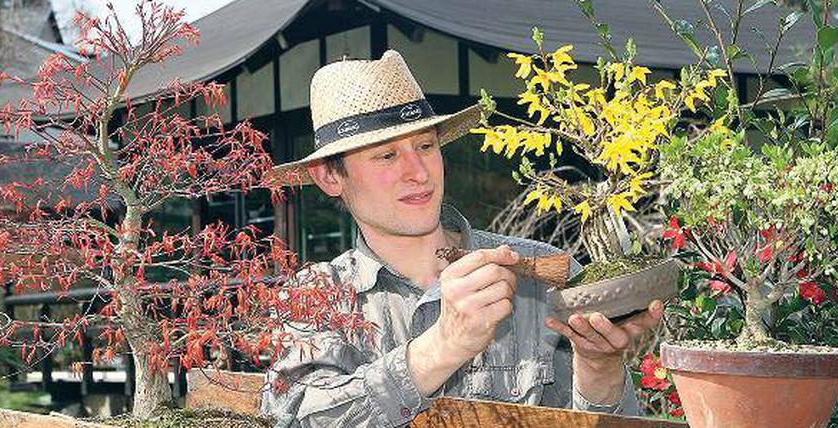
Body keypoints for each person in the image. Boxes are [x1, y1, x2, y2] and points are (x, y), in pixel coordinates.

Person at [262, 50, 663, 427]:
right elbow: (290, 417)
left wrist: (598, 367)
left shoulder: (543, 276)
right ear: (330, 176)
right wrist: (443, 346)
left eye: (425, 146)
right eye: (387, 155)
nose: (419, 172)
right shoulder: (313, 300)